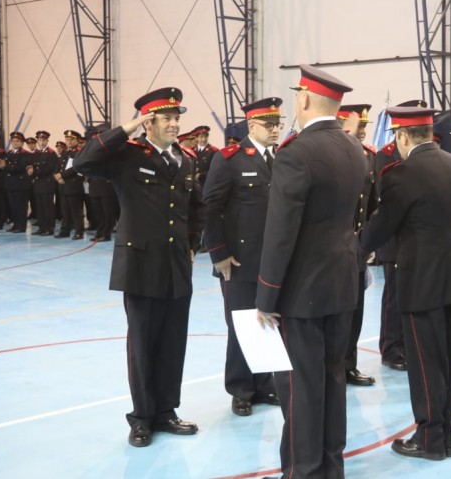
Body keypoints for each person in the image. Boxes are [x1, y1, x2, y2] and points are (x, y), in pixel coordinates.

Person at [74, 87, 205, 448]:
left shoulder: (187, 158)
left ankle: (166, 411)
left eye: (177, 117)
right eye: (167, 118)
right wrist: (126, 128)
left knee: (173, 341)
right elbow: (84, 161)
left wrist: (193, 246)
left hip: (177, 264)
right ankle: (142, 417)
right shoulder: (127, 156)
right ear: (148, 121)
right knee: (143, 343)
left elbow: (196, 208)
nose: (175, 123)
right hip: (141, 263)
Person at [255, 65, 367, 479]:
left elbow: (281, 231)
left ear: (303, 99)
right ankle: (330, 467)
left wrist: (266, 295)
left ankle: (303, 472)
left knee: (300, 389)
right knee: (333, 381)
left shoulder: (296, 152)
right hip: (341, 284)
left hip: (301, 293)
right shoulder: (354, 149)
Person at [359, 105, 451, 461]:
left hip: (423, 281)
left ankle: (429, 438)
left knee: (426, 363)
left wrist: (356, 246)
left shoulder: (401, 174)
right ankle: (447, 434)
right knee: (449, 360)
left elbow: (383, 226)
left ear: (401, 136)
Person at [203, 97, 282, 417]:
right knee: (242, 325)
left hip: (271, 260)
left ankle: (264, 385)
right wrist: (218, 253)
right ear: (252, 126)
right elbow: (210, 208)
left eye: (278, 123)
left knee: (267, 322)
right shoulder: (230, 159)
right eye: (269, 124)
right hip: (239, 260)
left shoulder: (281, 158)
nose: (276, 129)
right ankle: (240, 388)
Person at [374, 99, 427, 372]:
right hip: (395, 240)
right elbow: (385, 198)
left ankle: (408, 344)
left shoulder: (425, 152)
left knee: (413, 295)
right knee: (394, 298)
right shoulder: (385, 155)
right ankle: (391, 348)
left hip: (417, 241)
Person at [337, 103, 378, 387]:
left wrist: (368, 241)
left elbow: (373, 202)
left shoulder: (369, 156)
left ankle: (349, 364)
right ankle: (334, 364)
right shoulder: (331, 156)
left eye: (365, 127)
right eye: (358, 126)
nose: (362, 132)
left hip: (358, 246)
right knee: (337, 310)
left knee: (356, 309)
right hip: (332, 247)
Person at [54, 130, 85, 239]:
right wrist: (57, 176)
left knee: (76, 210)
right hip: (63, 185)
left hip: (73, 185)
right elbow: (58, 165)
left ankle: (79, 231)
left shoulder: (79, 152)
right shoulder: (65, 152)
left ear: (77, 140)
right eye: (67, 139)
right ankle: (65, 230)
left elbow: (76, 167)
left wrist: (62, 175)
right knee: (65, 210)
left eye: (72, 139)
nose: (69, 141)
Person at [4, 132, 32, 233]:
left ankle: (21, 226)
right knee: (13, 206)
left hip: (21, 185)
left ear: (22, 143)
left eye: (17, 141)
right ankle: (15, 224)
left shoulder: (25, 154)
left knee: (21, 207)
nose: (15, 143)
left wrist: (6, 166)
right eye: (13, 141)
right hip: (11, 184)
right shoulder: (10, 153)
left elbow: (20, 167)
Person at [31, 131, 58, 236]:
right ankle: (42, 227)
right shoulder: (36, 153)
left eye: (44, 140)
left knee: (48, 207)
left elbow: (49, 169)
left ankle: (49, 228)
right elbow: (32, 165)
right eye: (40, 140)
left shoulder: (51, 153)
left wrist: (34, 172)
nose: (41, 142)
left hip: (47, 184)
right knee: (40, 207)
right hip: (38, 184)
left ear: (47, 141)